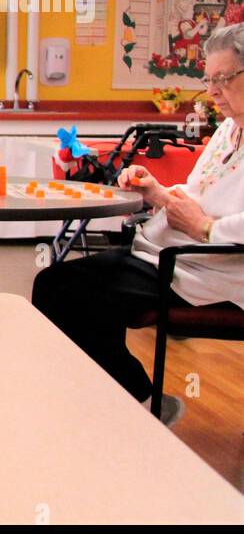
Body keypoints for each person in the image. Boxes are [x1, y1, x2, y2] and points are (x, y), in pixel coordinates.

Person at [31, 23, 244, 424]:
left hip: (209, 268)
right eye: (208, 79)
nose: (213, 91)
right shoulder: (230, 130)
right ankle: (119, 401)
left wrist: (206, 230)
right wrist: (157, 191)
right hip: (174, 254)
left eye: (223, 79)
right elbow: (200, 192)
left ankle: (134, 403)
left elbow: (209, 220)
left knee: (63, 291)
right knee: (60, 285)